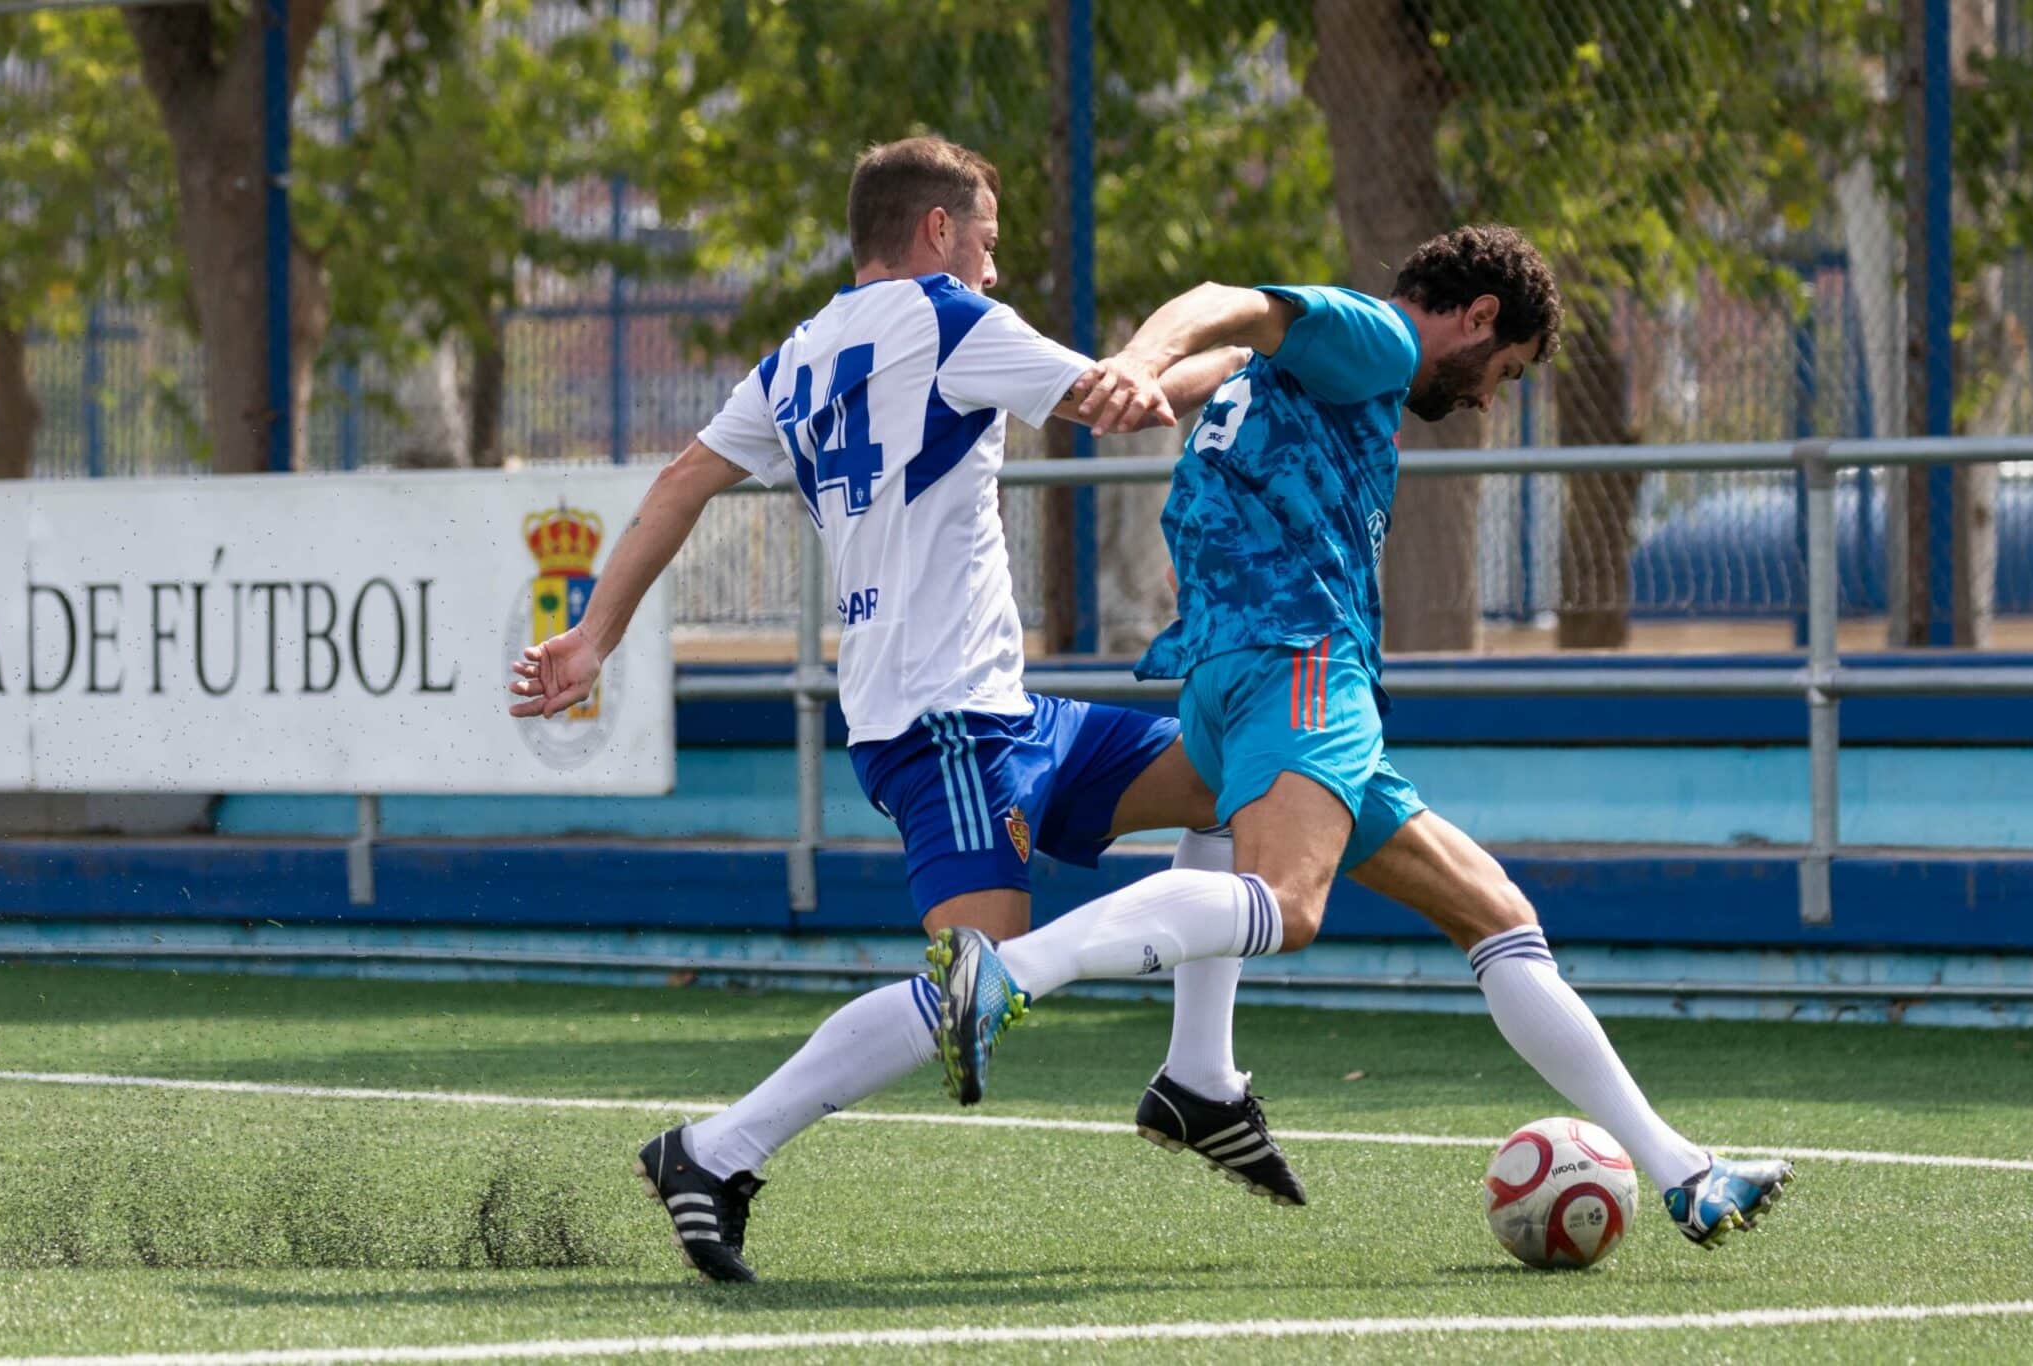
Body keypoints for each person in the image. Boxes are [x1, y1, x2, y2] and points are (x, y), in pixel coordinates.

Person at [507, 136, 1301, 1284]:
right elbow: (1111, 405)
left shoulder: (795, 355)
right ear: (935, 232)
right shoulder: (948, 318)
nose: (992, 262)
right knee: (978, 980)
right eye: (983, 238)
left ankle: (1199, 1073)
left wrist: (593, 635)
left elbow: (681, 483)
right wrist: (1247, 352)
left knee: (1231, 770)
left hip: (990, 708)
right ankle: (713, 1149)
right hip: (946, 721)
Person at [938, 225, 1793, 1251]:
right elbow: (1228, 294)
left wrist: (1159, 378)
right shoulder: (1381, 338)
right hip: (1297, 658)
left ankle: (1680, 1173)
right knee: (1286, 905)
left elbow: (1234, 354)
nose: (1486, 396)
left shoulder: (1326, 369)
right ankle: (1010, 972)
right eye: (1502, 369)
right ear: (1475, 316)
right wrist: (1135, 361)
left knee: (1494, 914)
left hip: (1232, 670)